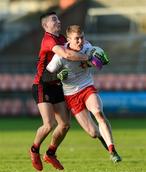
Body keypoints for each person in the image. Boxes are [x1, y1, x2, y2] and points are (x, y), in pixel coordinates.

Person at [46, 25, 122, 163]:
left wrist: (102, 60)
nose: (80, 41)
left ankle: (112, 150)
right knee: (93, 133)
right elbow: (47, 74)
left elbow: (98, 62)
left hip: (87, 87)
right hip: (71, 96)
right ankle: (103, 139)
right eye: (77, 39)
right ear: (69, 39)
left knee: (98, 112)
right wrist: (59, 76)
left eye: (82, 37)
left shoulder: (88, 48)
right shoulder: (60, 56)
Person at [30, 12, 90, 171]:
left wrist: (92, 53)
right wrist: (87, 58)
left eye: (58, 18)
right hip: (42, 85)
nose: (58, 21)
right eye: (53, 19)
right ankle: (34, 149)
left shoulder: (63, 38)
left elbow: (77, 50)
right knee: (49, 124)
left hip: (57, 84)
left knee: (65, 124)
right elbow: (65, 54)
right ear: (45, 25)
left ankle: (50, 153)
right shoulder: (48, 39)